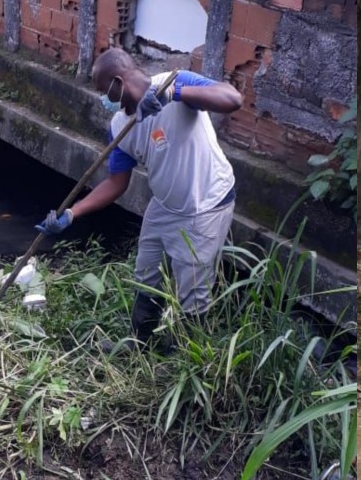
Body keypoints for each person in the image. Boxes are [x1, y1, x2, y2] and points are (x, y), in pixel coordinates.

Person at [35, 48, 243, 350]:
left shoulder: (173, 82)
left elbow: (232, 99)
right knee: (146, 271)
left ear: (118, 82)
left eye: (103, 91)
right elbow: (116, 183)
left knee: (192, 290)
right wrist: (72, 214)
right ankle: (139, 343)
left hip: (205, 204)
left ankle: (189, 361)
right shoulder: (120, 127)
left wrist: (175, 94)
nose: (103, 100)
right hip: (165, 204)